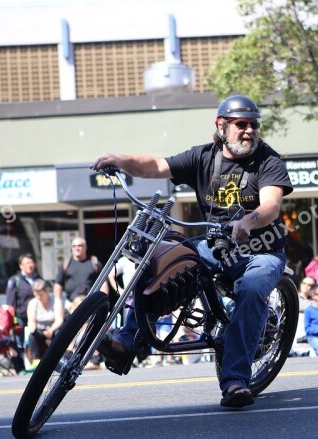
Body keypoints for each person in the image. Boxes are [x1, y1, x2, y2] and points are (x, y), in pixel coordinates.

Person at [92, 94, 293, 408]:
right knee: (159, 258)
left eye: (253, 125)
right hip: (213, 247)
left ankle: (236, 381)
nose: (249, 131)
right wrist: (119, 160)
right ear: (221, 125)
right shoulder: (203, 157)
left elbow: (270, 205)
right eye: (242, 124)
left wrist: (248, 221)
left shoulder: (268, 160)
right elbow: (158, 165)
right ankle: (128, 339)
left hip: (260, 251)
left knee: (253, 288)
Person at [5, 253, 40, 372]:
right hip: (21, 317)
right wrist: (13, 320)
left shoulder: (38, 278)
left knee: (34, 341)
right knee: (19, 343)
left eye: (31, 263)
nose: (30, 266)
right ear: (21, 266)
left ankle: (35, 365)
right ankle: (20, 368)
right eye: (26, 263)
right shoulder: (15, 280)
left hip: (36, 317)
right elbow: (10, 302)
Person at [54, 237, 108, 314]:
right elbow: (58, 284)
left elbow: (104, 283)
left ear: (85, 247)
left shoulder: (94, 263)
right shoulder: (66, 264)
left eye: (80, 245)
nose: (77, 248)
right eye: (74, 246)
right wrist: (57, 301)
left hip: (91, 304)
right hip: (71, 306)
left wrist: (102, 301)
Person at [26, 279, 65, 365]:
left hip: (54, 328)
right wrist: (32, 328)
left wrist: (51, 330)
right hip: (39, 330)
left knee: (59, 333)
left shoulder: (56, 301)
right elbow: (31, 321)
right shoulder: (32, 303)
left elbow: (59, 320)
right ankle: (36, 360)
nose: (38, 298)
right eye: (36, 295)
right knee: (32, 336)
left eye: (41, 295)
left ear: (47, 291)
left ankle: (58, 359)